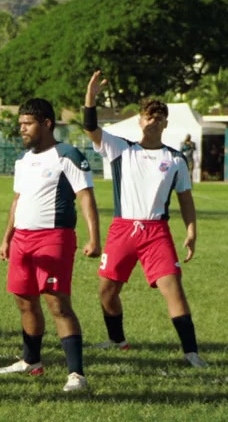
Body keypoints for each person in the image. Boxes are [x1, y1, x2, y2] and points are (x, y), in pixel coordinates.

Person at [83, 71, 206, 368]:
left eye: (158, 118)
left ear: (165, 124)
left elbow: (185, 199)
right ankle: (117, 340)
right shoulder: (120, 149)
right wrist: (91, 98)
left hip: (156, 232)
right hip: (123, 229)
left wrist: (191, 231)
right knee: (107, 291)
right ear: (140, 121)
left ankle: (191, 352)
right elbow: (90, 127)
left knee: (173, 289)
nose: (152, 121)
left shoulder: (175, 159)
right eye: (148, 117)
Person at [0, 98, 100, 392]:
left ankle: (76, 374)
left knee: (57, 302)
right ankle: (31, 361)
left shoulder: (68, 155)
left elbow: (86, 196)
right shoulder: (23, 160)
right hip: (22, 240)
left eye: (27, 124)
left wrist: (95, 238)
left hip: (54, 237)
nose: (22, 129)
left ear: (46, 124)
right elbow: (17, 200)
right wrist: (7, 237)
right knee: (24, 300)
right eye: (20, 124)